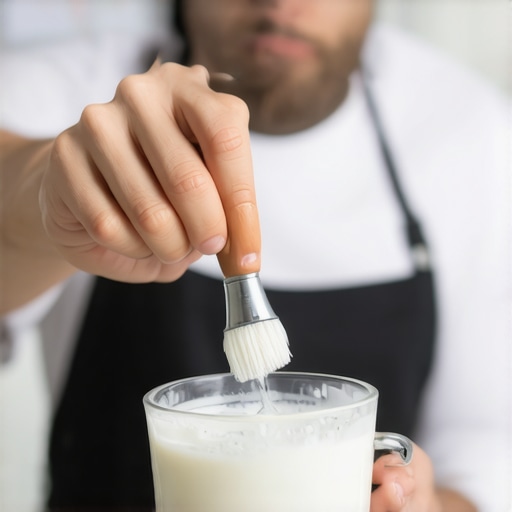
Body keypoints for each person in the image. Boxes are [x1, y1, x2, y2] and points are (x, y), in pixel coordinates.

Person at [0, 0, 509, 510]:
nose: (282, 3)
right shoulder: (58, 89)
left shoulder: (468, 130)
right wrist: (43, 188)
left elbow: (485, 454)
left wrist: (429, 504)